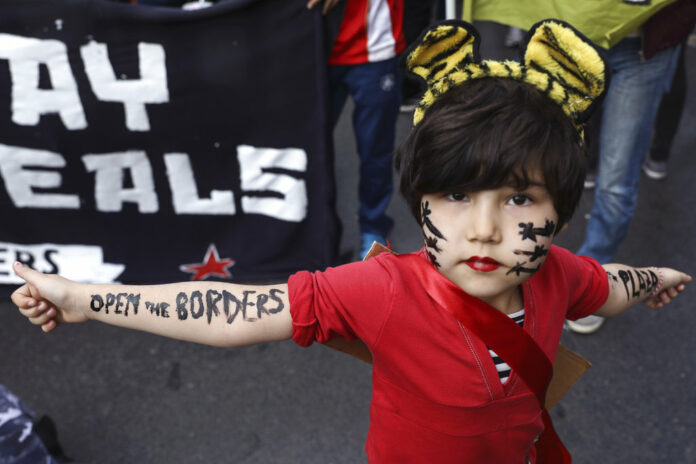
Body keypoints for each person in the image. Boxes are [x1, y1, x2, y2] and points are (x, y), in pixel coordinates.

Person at [10, 20, 691, 463]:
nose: (483, 228)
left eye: (519, 198)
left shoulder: (561, 274)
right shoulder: (381, 290)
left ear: (562, 212)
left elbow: (611, 284)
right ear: (418, 198)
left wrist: (654, 278)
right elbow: (234, 314)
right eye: (454, 195)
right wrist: (86, 299)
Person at [567, 0, 696, 334]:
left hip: (645, 45)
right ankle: (533, 267)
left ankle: (593, 281)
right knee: (550, 153)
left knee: (617, 175)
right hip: (574, 33)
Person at [308, 0, 405, 259]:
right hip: (312, 41)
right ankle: (311, 231)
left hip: (374, 44)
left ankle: (373, 227)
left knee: (375, 149)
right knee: (306, 147)